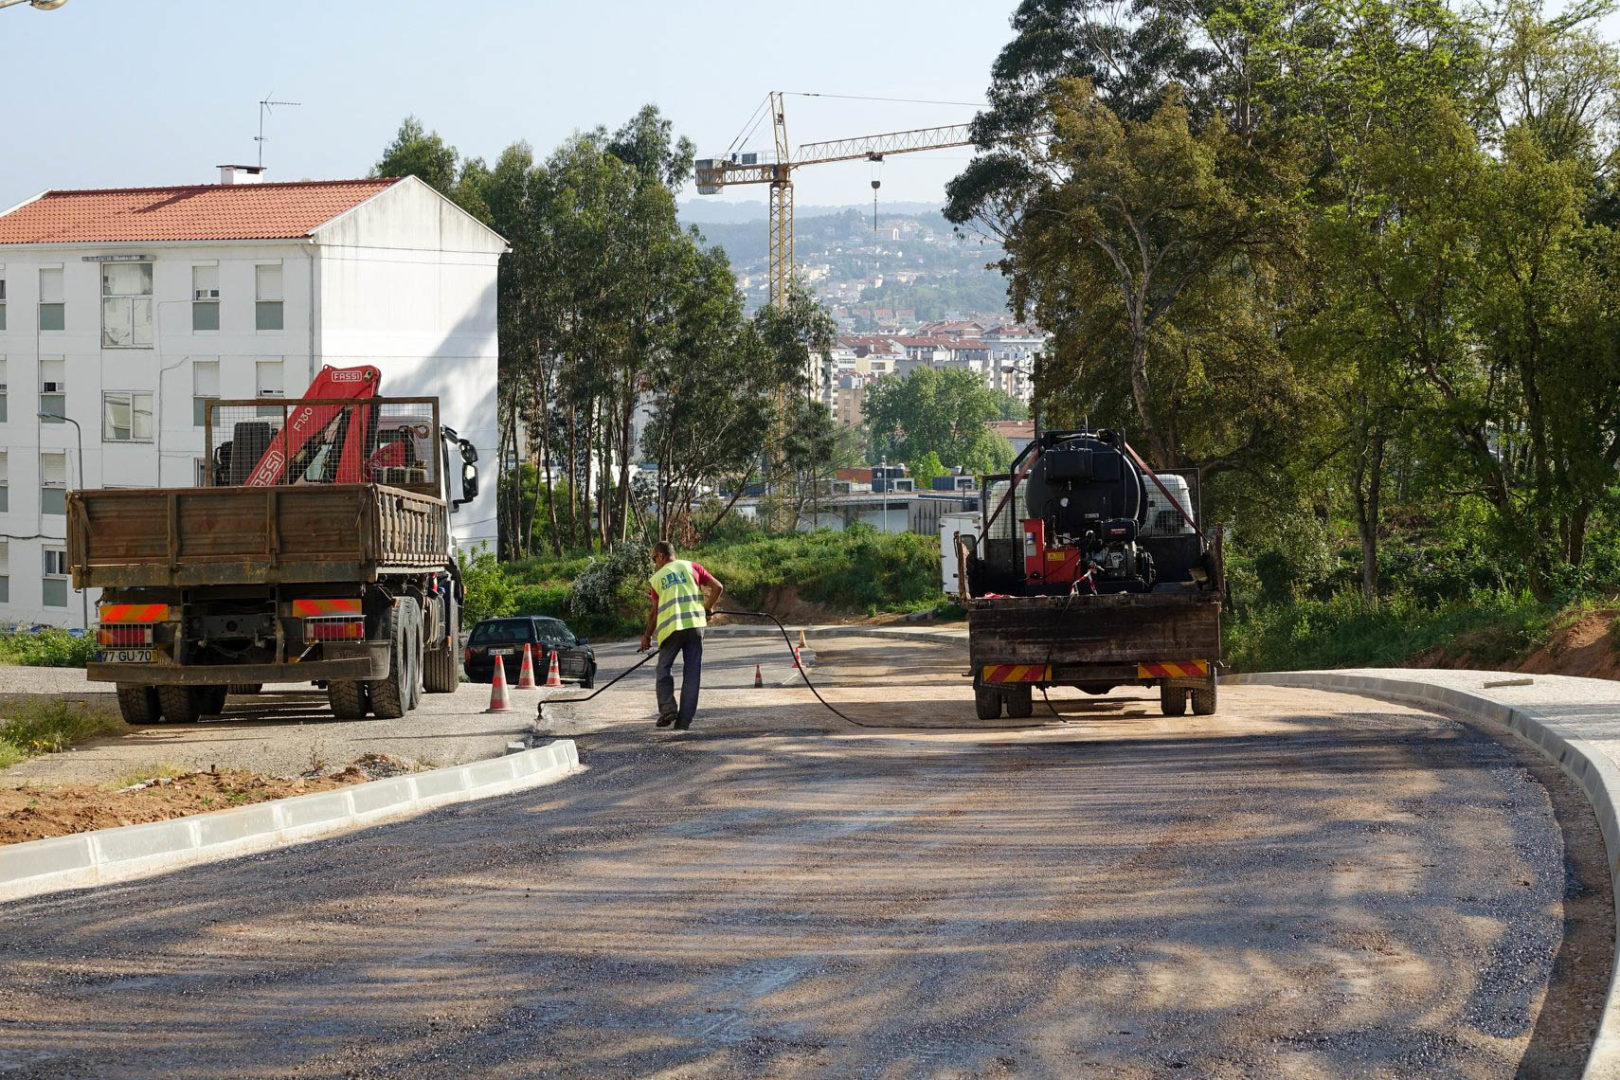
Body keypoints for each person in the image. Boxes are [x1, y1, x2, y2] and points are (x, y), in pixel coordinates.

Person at [640, 541, 725, 730]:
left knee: (663, 669)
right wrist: (707, 608)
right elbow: (718, 587)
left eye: (654, 558)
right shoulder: (692, 567)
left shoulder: (658, 578)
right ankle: (683, 722)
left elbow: (654, 613)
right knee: (692, 674)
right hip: (695, 627)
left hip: (672, 629)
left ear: (661, 556)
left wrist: (647, 635)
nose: (655, 563)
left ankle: (668, 709)